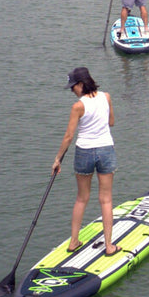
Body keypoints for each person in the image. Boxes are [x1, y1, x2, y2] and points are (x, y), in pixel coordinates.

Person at [52, 67, 120, 255]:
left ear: (81, 84)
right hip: (106, 150)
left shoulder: (78, 107)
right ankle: (109, 246)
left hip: (84, 153)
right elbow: (111, 122)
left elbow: (68, 136)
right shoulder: (106, 97)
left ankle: (74, 241)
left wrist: (58, 159)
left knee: (82, 198)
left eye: (73, 87)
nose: (72, 91)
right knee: (106, 200)